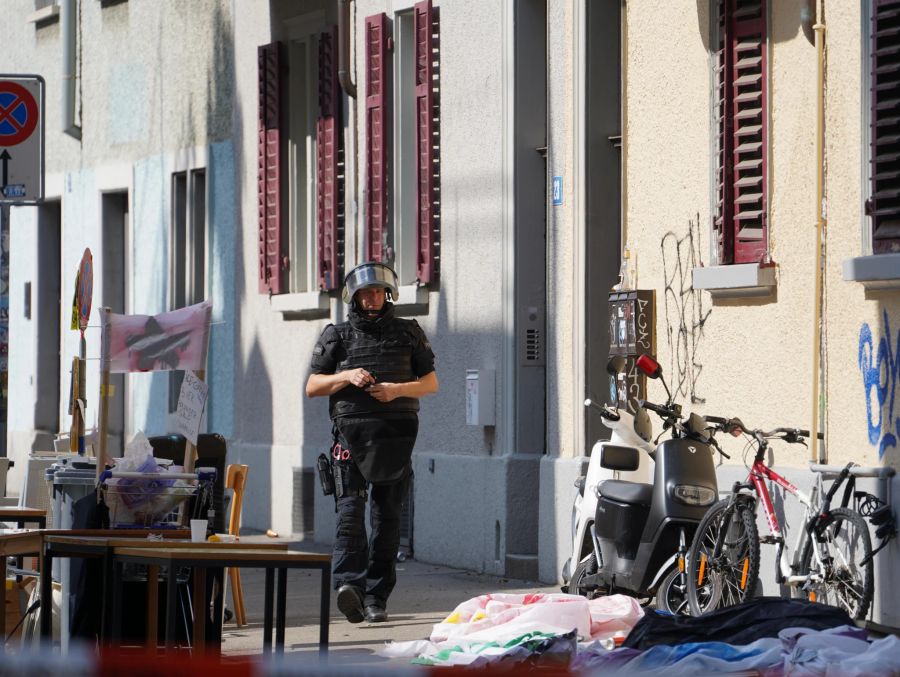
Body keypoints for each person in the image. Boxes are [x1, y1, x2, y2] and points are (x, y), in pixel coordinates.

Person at [306, 261, 438, 624]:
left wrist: (396, 390)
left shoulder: (409, 333)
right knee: (349, 516)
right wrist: (347, 375)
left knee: (387, 521)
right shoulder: (338, 336)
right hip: (350, 438)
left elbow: (430, 383)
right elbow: (313, 386)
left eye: (378, 292)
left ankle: (377, 597)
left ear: (388, 294)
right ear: (355, 297)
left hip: (395, 439)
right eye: (366, 293)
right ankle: (350, 586)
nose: (373, 299)